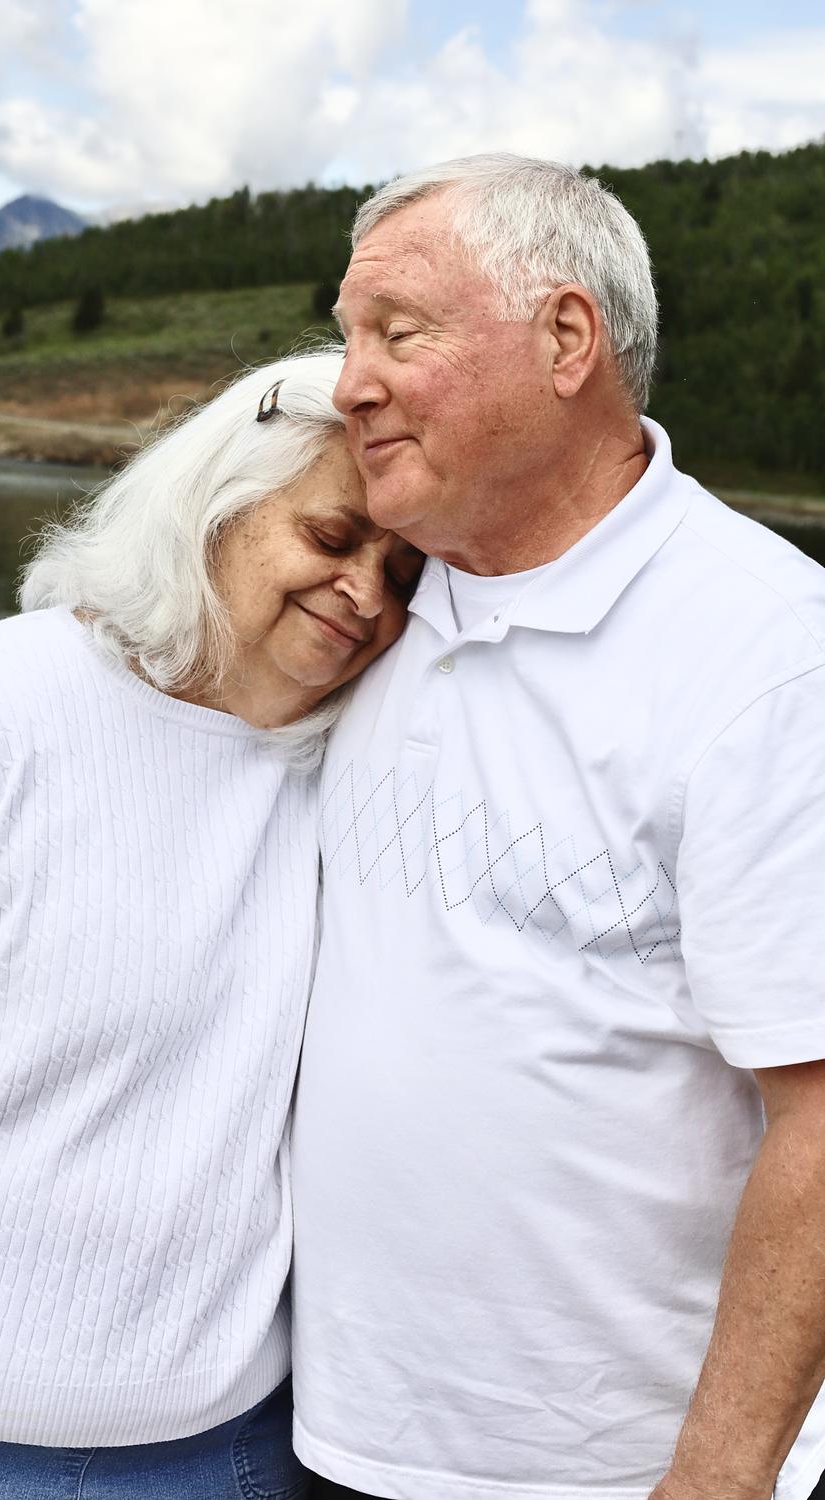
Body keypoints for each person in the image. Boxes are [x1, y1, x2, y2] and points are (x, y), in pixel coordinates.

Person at [290, 155, 825, 1500]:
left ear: (567, 339)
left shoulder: (768, 652)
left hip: (604, 1474)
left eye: (398, 333)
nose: (349, 383)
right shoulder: (371, 608)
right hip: (323, 1439)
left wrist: (718, 1480)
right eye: (348, 339)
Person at [0, 350, 421, 1496]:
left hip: (231, 1454)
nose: (365, 594)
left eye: (404, 573)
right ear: (213, 506)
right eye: (333, 538)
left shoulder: (351, 774)